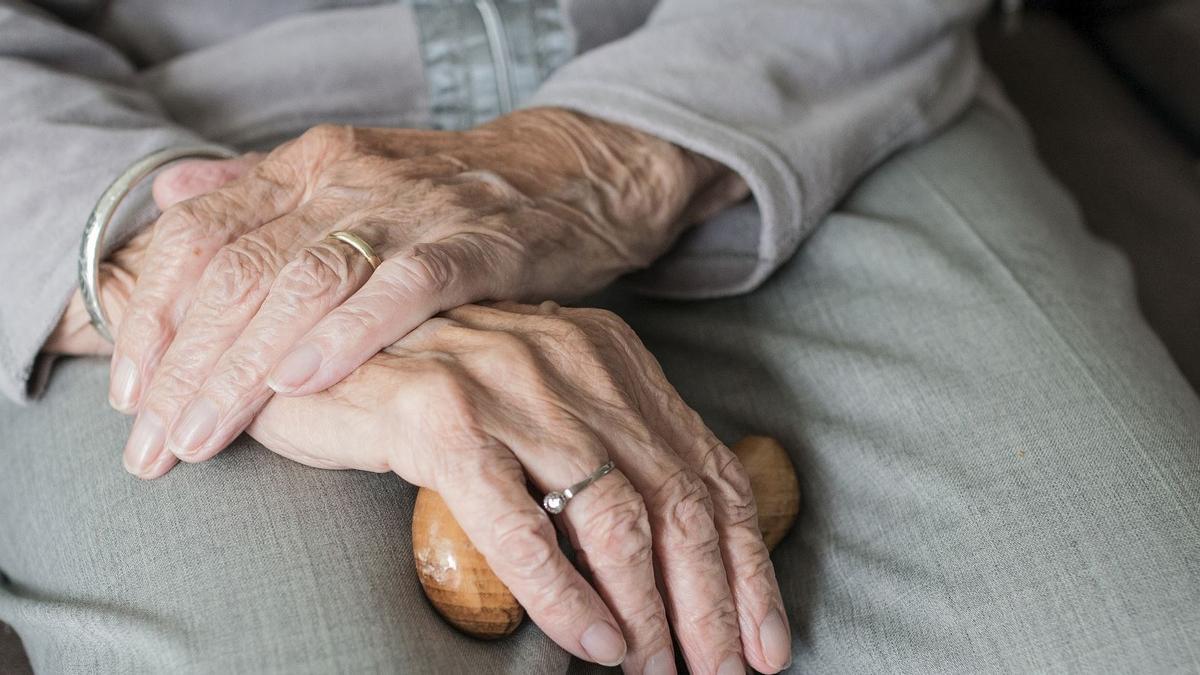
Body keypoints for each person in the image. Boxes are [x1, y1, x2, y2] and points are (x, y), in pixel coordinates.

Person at [2, 0, 1198, 673]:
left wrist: (599, 158)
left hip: (771, 82)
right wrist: (192, 274)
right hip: (139, 154)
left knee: (1140, 635)